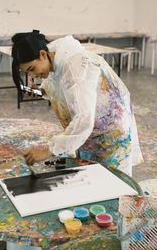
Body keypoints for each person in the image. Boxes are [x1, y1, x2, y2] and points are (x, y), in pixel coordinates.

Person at [11, 30, 143, 176]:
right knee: (91, 180)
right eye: (28, 73)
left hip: (110, 134)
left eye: (32, 69)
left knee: (111, 185)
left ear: (43, 54)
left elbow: (84, 117)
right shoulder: (54, 59)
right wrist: (39, 92)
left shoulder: (76, 67)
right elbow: (60, 91)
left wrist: (49, 150)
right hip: (89, 134)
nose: (33, 76)